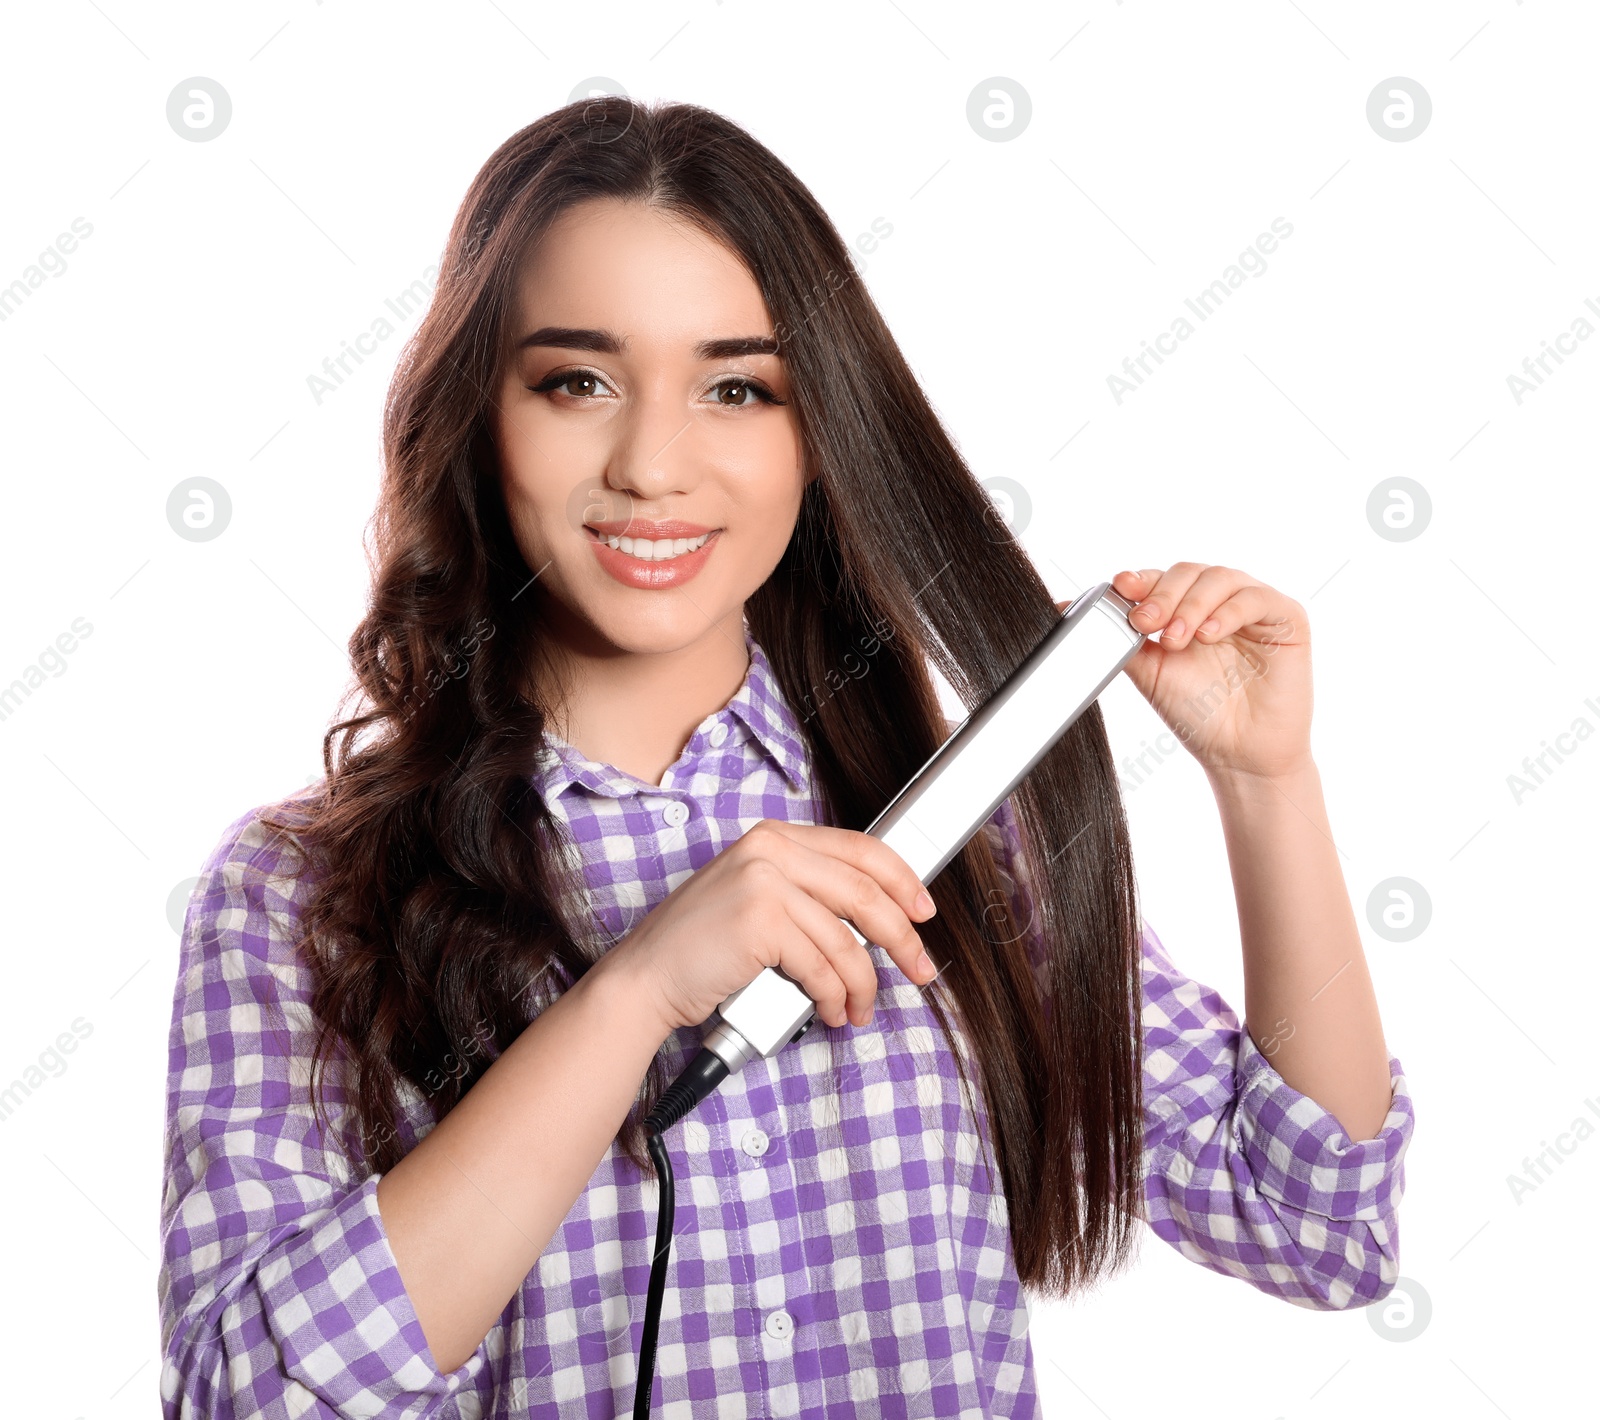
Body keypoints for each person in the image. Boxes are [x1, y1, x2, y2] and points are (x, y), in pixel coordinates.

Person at [157, 97, 1414, 1418]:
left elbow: (1318, 1227)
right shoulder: (299, 897)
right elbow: (249, 1397)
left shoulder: (947, 844)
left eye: (736, 388)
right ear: (482, 415)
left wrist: (1268, 786)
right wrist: (631, 995)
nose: (653, 464)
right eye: (576, 380)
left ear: (817, 437)